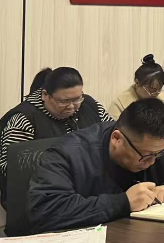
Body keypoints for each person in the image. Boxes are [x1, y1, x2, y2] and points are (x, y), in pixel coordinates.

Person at [27, 99, 164, 235]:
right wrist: (122, 202)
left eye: (158, 154)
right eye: (145, 155)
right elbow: (46, 210)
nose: (152, 162)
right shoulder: (68, 154)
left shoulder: (160, 145)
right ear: (117, 139)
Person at [0, 68, 112, 209]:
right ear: (45, 95)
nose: (72, 107)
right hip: (41, 201)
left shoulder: (91, 106)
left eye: (77, 99)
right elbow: (11, 169)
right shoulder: (24, 119)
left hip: (91, 194)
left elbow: (113, 136)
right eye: (64, 101)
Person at [108, 54, 164, 142]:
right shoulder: (119, 104)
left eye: (159, 89)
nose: (155, 94)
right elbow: (114, 138)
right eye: (151, 90)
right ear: (137, 83)